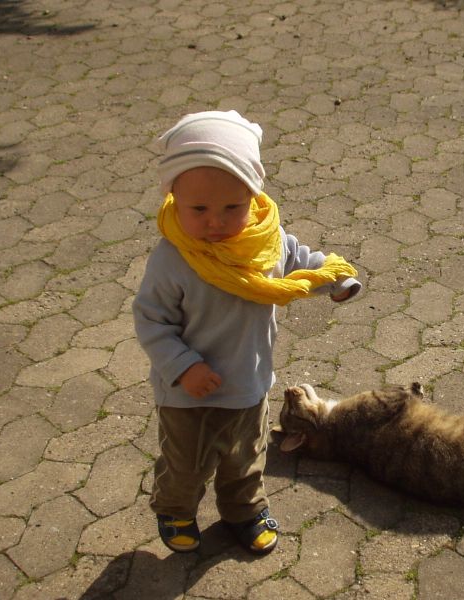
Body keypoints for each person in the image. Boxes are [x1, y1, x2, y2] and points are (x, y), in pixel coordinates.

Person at [133, 110, 361, 555]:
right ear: (174, 197)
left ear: (253, 197)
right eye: (199, 209)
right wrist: (184, 367)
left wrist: (333, 279)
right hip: (188, 395)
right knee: (186, 464)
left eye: (231, 208)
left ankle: (244, 510)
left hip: (249, 382)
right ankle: (175, 509)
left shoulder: (265, 239)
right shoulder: (174, 258)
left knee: (246, 458)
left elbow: (299, 259)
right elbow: (151, 320)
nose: (215, 221)